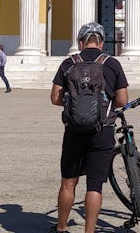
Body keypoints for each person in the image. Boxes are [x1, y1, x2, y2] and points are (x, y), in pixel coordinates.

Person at [49, 22, 129, 233]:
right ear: (101, 42)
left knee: (68, 183)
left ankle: (62, 228)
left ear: (80, 41)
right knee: (94, 186)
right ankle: (89, 231)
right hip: (102, 131)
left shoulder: (69, 63)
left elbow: (55, 98)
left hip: (74, 130)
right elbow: (122, 99)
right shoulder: (111, 64)